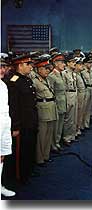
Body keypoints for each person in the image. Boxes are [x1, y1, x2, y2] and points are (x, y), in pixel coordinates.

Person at [6, 54, 38, 183]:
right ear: (20, 65)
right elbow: (13, 107)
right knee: (21, 151)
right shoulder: (14, 82)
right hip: (22, 123)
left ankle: (28, 170)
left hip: (30, 121)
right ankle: (20, 175)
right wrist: (15, 126)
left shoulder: (26, 80)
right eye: (28, 64)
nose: (31, 67)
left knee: (30, 147)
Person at [0, 57, 16, 197]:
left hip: (4, 124)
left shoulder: (3, 85)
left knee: (2, 155)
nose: (2, 70)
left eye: (4, 67)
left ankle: (0, 185)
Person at [48, 53, 67, 152]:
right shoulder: (52, 76)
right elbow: (51, 92)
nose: (64, 65)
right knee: (55, 126)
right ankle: (53, 144)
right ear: (55, 63)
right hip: (56, 104)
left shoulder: (61, 74)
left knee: (60, 125)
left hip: (63, 103)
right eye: (62, 63)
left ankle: (57, 142)